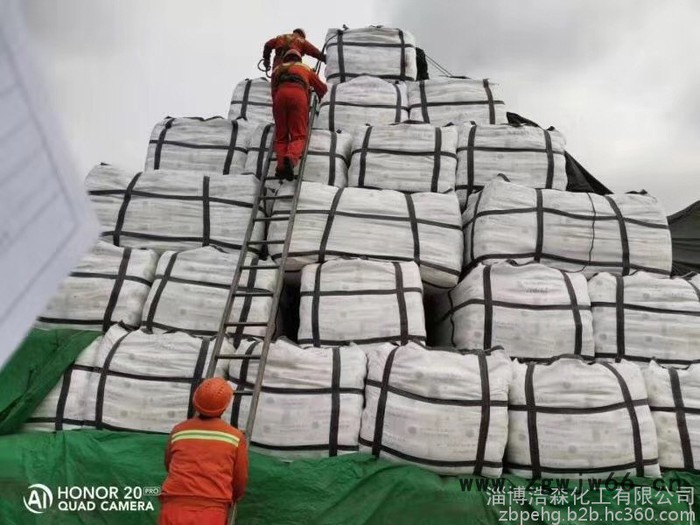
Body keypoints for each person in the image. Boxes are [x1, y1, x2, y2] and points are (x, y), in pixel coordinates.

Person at [158, 378, 248, 525]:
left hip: (173, 506)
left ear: (195, 401)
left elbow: (169, 464)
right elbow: (239, 480)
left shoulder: (179, 430)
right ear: (225, 406)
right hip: (211, 511)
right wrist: (233, 497)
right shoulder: (234, 437)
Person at [271, 48, 327, 180]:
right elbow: (322, 88)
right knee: (298, 135)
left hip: (280, 97)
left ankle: (280, 167)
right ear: (298, 58)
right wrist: (319, 96)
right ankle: (290, 158)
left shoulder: (277, 70)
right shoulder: (305, 68)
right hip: (298, 96)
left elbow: (273, 91)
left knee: (281, 137)